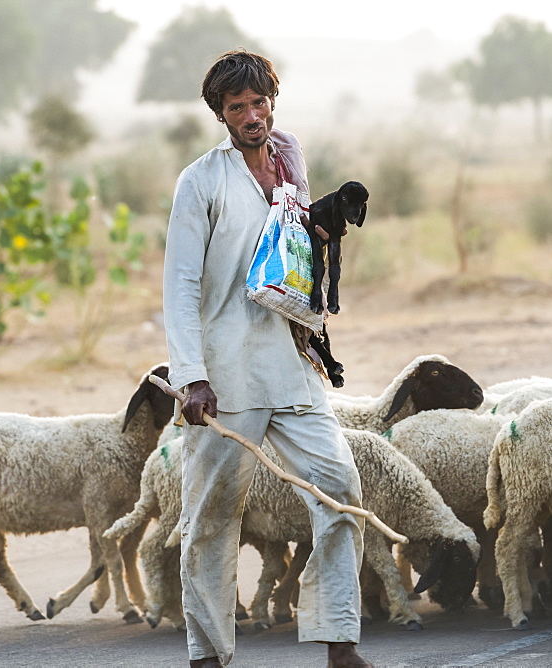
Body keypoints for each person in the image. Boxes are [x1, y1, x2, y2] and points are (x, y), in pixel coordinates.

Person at [162, 49, 371, 668]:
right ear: (220, 115)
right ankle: (207, 653)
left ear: (271, 101)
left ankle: (339, 641)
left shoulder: (289, 157)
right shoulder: (201, 180)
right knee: (210, 516)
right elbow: (180, 285)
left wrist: (321, 225)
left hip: (291, 360)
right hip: (224, 374)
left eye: (260, 103)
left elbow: (291, 244)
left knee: (338, 488)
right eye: (237, 108)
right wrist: (191, 378)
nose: (252, 115)